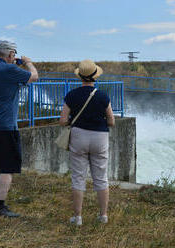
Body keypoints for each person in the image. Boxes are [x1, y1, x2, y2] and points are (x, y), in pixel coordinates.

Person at [0, 40, 38, 217]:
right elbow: (34, 77)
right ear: (11, 54)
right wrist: (28, 63)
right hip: (4, 126)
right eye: (14, 54)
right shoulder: (10, 70)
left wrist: (14, 65)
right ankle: (0, 207)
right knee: (7, 167)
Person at [59, 59, 115, 226]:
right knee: (101, 178)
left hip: (79, 136)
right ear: (95, 76)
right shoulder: (103, 96)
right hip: (100, 138)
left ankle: (77, 218)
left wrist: (72, 121)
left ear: (80, 77)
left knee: (78, 177)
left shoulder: (72, 95)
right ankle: (103, 215)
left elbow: (62, 121)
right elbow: (111, 121)